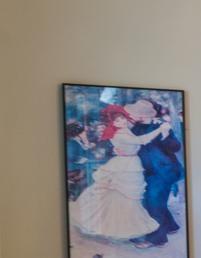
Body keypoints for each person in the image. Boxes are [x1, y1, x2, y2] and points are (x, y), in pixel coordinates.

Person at [71, 105, 171, 245]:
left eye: (122, 118)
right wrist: (160, 130)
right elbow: (140, 141)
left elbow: (133, 127)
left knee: (130, 198)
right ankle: (126, 229)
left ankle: (133, 229)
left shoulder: (124, 128)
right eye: (117, 120)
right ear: (112, 123)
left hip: (132, 164)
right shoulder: (117, 133)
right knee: (123, 198)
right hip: (125, 166)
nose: (122, 121)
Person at [126, 98, 183, 246]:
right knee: (152, 200)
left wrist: (165, 135)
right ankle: (171, 226)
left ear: (144, 115)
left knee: (153, 200)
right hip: (145, 171)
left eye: (136, 113)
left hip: (162, 171)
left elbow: (176, 147)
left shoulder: (162, 126)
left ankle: (156, 238)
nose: (133, 115)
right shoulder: (135, 128)